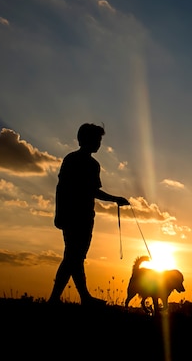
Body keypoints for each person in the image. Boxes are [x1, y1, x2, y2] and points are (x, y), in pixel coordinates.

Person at [48, 123, 130, 306]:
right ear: (87, 139)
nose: (99, 144)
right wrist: (116, 199)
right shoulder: (89, 164)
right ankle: (55, 299)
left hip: (75, 216)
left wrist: (59, 213)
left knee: (75, 257)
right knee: (72, 257)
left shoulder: (71, 159)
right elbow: (91, 191)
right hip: (80, 217)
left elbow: (61, 189)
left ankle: (84, 297)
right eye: (97, 140)